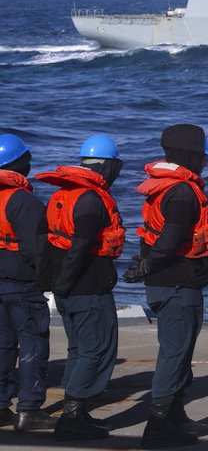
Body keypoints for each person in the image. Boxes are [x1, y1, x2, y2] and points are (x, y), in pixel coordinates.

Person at [125, 123, 208, 448]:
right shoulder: (181, 193)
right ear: (190, 156)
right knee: (175, 354)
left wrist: (144, 266)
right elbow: (171, 237)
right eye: (202, 157)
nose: (205, 163)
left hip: (173, 284)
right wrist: (149, 265)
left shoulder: (167, 188)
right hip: (177, 285)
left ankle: (175, 415)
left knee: (180, 352)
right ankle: (158, 426)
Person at [36, 133, 125, 441]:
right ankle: (72, 416)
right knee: (96, 349)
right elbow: (81, 247)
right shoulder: (91, 200)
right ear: (108, 165)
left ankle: (78, 412)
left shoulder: (64, 194)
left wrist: (53, 285)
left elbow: (52, 243)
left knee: (78, 349)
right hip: (86, 290)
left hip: (67, 289)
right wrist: (66, 284)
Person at [0, 133, 54, 433]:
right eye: (26, 158)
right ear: (18, 163)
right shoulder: (23, 200)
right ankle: (30, 409)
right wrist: (48, 281)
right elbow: (37, 251)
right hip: (22, 285)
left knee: (3, 345)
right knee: (32, 344)